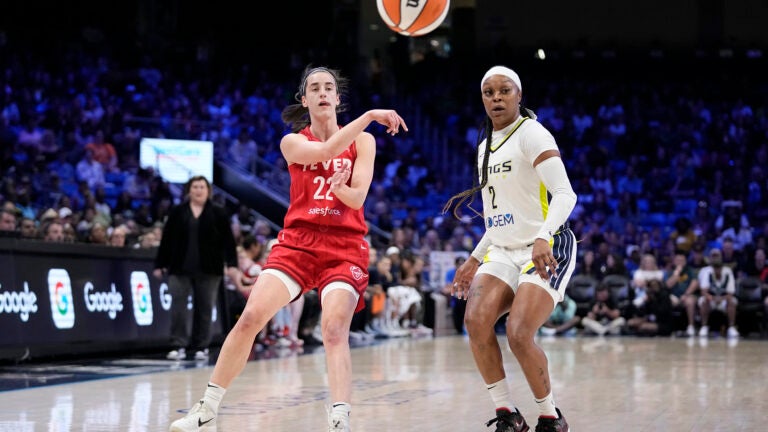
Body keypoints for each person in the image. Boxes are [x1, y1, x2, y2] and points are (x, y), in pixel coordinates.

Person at [168, 65, 407, 432]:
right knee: (249, 318)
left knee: (333, 329)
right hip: (299, 242)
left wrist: (341, 187)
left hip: (344, 246)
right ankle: (207, 408)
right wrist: (372, 115)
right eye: (315, 87)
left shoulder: (364, 142)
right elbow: (327, 149)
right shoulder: (292, 142)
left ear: (338, 99)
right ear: (305, 99)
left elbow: (357, 197)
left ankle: (340, 418)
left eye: (330, 87)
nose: (323, 92)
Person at [443, 66, 576, 432]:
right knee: (475, 321)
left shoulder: (533, 134)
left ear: (519, 95)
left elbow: (566, 195)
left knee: (518, 332)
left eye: (504, 91)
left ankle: (551, 416)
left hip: (548, 246)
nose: (496, 98)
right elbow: (496, 217)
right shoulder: (484, 146)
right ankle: (507, 414)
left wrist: (543, 236)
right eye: (488, 92)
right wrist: (474, 257)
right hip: (502, 248)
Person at [153, 175, 244, 361]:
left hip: (210, 268)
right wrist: (160, 264)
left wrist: (232, 264)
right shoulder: (178, 211)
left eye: (202, 187)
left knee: (205, 308)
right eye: (195, 187)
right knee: (178, 308)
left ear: (208, 191)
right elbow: (167, 240)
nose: (198, 190)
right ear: (189, 190)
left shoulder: (218, 212)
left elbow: (228, 241)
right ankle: (177, 345)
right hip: (179, 267)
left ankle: (200, 346)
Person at [697, 248, 739, 338]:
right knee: (703, 300)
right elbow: (704, 291)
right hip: (711, 299)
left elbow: (730, 293)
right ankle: (704, 326)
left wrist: (721, 299)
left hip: (724, 300)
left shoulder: (728, 271)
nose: (717, 270)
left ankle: (731, 327)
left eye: (717, 256)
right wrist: (712, 298)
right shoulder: (706, 271)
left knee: (732, 301)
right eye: (713, 256)